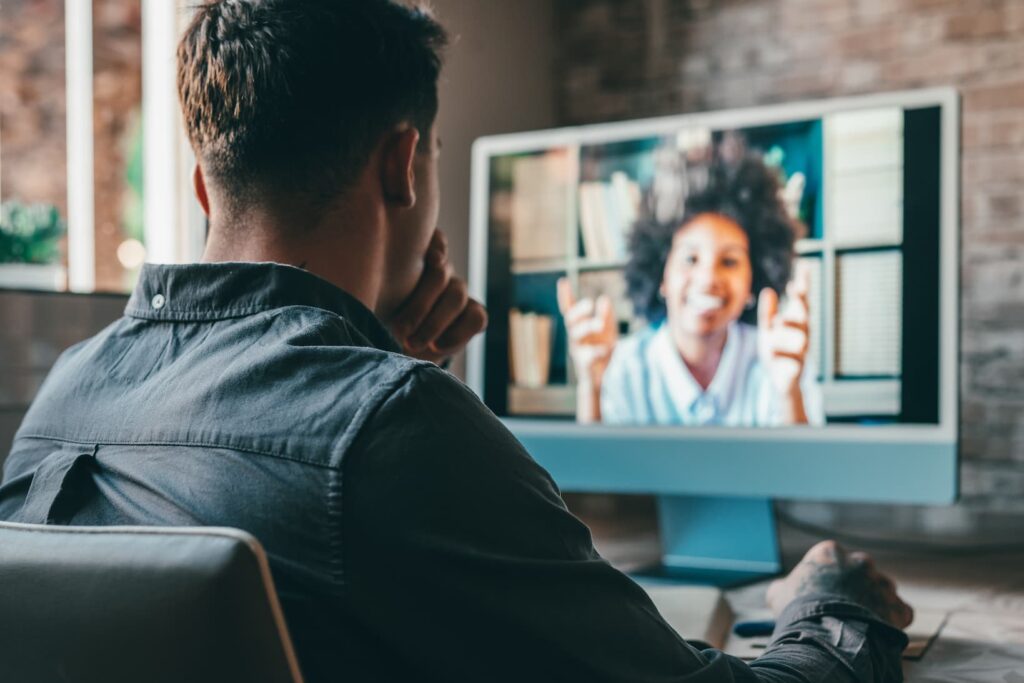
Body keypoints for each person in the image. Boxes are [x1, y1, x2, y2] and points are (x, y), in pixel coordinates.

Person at [0, 2, 910, 681]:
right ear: (404, 164)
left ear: (205, 187)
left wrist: (375, 357)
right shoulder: (394, 426)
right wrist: (831, 599)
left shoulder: (66, 393)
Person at [559, 156, 825, 426]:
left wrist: (788, 392)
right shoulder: (624, 366)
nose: (708, 278)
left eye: (729, 261)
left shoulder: (779, 358)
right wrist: (591, 387)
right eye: (690, 259)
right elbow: (594, 454)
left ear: (752, 283)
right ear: (661, 275)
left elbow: (804, 455)